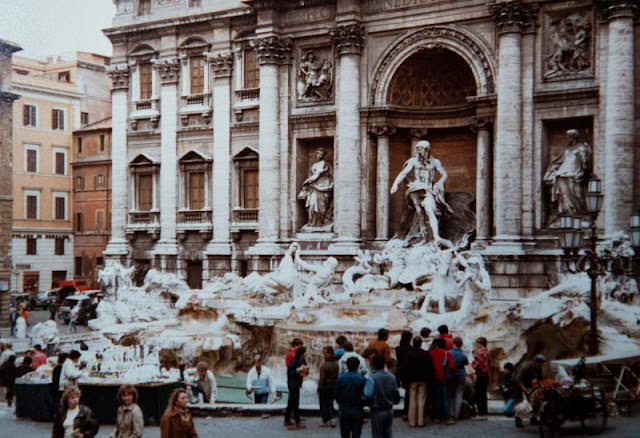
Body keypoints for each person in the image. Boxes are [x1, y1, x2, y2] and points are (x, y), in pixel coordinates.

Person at [390, 139, 452, 245]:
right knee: (419, 212)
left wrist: (440, 182)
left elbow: (444, 174)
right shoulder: (413, 161)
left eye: (424, 149)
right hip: (416, 189)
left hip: (428, 190)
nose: (422, 151)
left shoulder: (435, 162)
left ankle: (436, 236)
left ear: (428, 150)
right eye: (420, 149)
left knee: (429, 209)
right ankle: (422, 235)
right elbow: (403, 173)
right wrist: (395, 184)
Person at [543, 129, 591, 220]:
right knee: (563, 194)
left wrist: (582, 172)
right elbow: (559, 160)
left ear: (573, 137)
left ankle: (579, 214)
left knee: (577, 193)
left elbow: (585, 161)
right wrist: (553, 169)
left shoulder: (580, 147)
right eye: (567, 137)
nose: (566, 138)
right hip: (562, 173)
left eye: (568, 137)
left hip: (575, 173)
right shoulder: (566, 148)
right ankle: (565, 214)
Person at [363, 355, 398, 438]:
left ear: (373, 365)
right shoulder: (392, 377)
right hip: (389, 408)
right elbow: (395, 392)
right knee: (388, 432)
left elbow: (368, 394)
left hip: (377, 409)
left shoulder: (373, 377)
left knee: (377, 434)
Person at [298, 147, 333, 228]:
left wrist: (307, 181)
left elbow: (319, 175)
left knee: (322, 206)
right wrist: (308, 185)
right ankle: (312, 223)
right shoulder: (314, 165)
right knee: (312, 205)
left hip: (323, 185)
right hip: (314, 187)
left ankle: (320, 223)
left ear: (323, 155)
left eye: (321, 154)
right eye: (318, 153)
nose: (319, 155)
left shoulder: (325, 164)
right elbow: (312, 175)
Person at [336, 356, 368, 438]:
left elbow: (336, 393)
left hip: (344, 408)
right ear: (358, 366)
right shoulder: (363, 379)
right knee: (356, 433)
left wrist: (340, 402)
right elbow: (366, 395)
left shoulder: (341, 378)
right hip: (358, 409)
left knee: (344, 433)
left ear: (347, 365)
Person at [513, 354, 546, 428]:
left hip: (528, 383)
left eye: (542, 364)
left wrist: (540, 388)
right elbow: (518, 378)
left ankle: (533, 418)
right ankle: (518, 420)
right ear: (535, 362)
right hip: (518, 383)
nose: (541, 365)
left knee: (534, 400)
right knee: (519, 401)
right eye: (540, 363)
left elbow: (540, 379)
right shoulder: (526, 366)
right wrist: (524, 388)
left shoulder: (538, 368)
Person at [429, 338, 456, 425]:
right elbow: (452, 367)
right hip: (444, 378)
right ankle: (448, 418)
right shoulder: (447, 353)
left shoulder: (431, 353)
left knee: (437, 397)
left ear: (436, 345)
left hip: (434, 378)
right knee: (445, 398)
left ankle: (437, 417)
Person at [406, 337, 432, 427]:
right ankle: (420, 421)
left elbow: (406, 368)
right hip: (423, 379)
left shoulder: (409, 354)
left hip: (412, 379)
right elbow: (430, 367)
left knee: (412, 400)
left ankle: (412, 422)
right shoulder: (425, 354)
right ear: (421, 344)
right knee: (421, 400)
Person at [285, 346, 308, 429]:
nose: (306, 354)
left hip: (296, 384)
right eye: (305, 352)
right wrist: (299, 369)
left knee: (291, 402)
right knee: (295, 402)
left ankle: (287, 420)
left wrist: (305, 370)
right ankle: (297, 421)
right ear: (301, 353)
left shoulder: (302, 360)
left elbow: (304, 369)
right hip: (293, 384)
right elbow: (290, 372)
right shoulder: (295, 361)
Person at [449, 337, 469, 420]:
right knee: (459, 395)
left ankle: (451, 413)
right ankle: (457, 415)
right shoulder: (463, 355)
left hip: (451, 376)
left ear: (453, 344)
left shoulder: (449, 353)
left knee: (451, 395)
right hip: (461, 376)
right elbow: (466, 363)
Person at [318, 346, 339, 427]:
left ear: (329, 353)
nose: (323, 354)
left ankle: (325, 420)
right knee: (330, 403)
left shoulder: (324, 366)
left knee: (323, 403)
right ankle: (332, 419)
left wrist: (319, 388)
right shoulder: (336, 364)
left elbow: (322, 379)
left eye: (325, 353)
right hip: (334, 385)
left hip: (325, 386)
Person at [394, 331, 413, 420]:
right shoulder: (411, 349)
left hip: (400, 371)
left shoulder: (398, 349)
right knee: (409, 393)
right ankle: (408, 412)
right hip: (409, 372)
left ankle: (405, 411)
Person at [472, 337, 491, 420]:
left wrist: (474, 362)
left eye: (477, 343)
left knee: (479, 394)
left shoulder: (482, 353)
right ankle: (483, 412)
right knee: (482, 394)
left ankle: (481, 412)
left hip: (481, 375)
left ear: (480, 343)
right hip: (486, 375)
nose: (476, 344)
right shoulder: (486, 351)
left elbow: (481, 365)